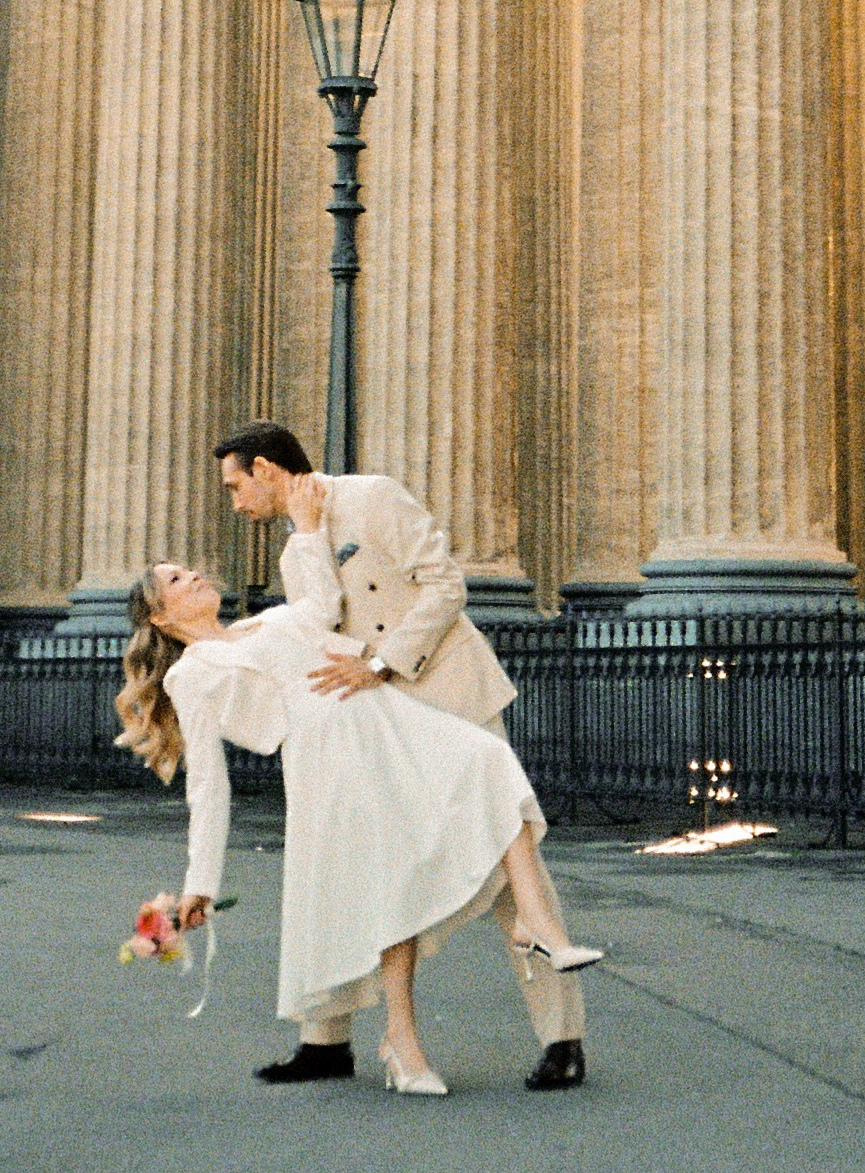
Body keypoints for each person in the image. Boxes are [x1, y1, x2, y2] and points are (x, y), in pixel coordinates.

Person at [116, 510, 599, 1095]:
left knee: (489, 761)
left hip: (382, 721)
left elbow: (320, 605)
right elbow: (209, 784)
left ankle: (533, 921)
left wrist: (312, 529)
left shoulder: (269, 621)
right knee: (390, 885)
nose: (192, 576)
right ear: (162, 618)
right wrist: (202, 881)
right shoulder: (190, 675)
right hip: (329, 759)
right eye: (174, 580)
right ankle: (404, 1041)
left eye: (188, 570)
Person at [215, 424, 591, 1092]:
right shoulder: (294, 545)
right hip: (372, 722)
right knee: (353, 859)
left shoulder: (373, 497)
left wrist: (384, 662)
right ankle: (325, 1038)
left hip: (444, 693)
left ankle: (562, 1037)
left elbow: (444, 585)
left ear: (267, 468)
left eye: (236, 484)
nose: (235, 502)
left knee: (508, 863)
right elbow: (314, 623)